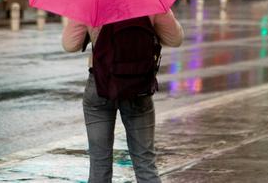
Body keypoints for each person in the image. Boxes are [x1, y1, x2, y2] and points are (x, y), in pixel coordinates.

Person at [62, 10, 184, 182]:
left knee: (99, 163)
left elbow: (69, 44)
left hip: (100, 85)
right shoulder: (151, 1)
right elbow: (175, 39)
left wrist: (91, 32)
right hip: (138, 87)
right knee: (145, 161)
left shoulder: (92, 2)